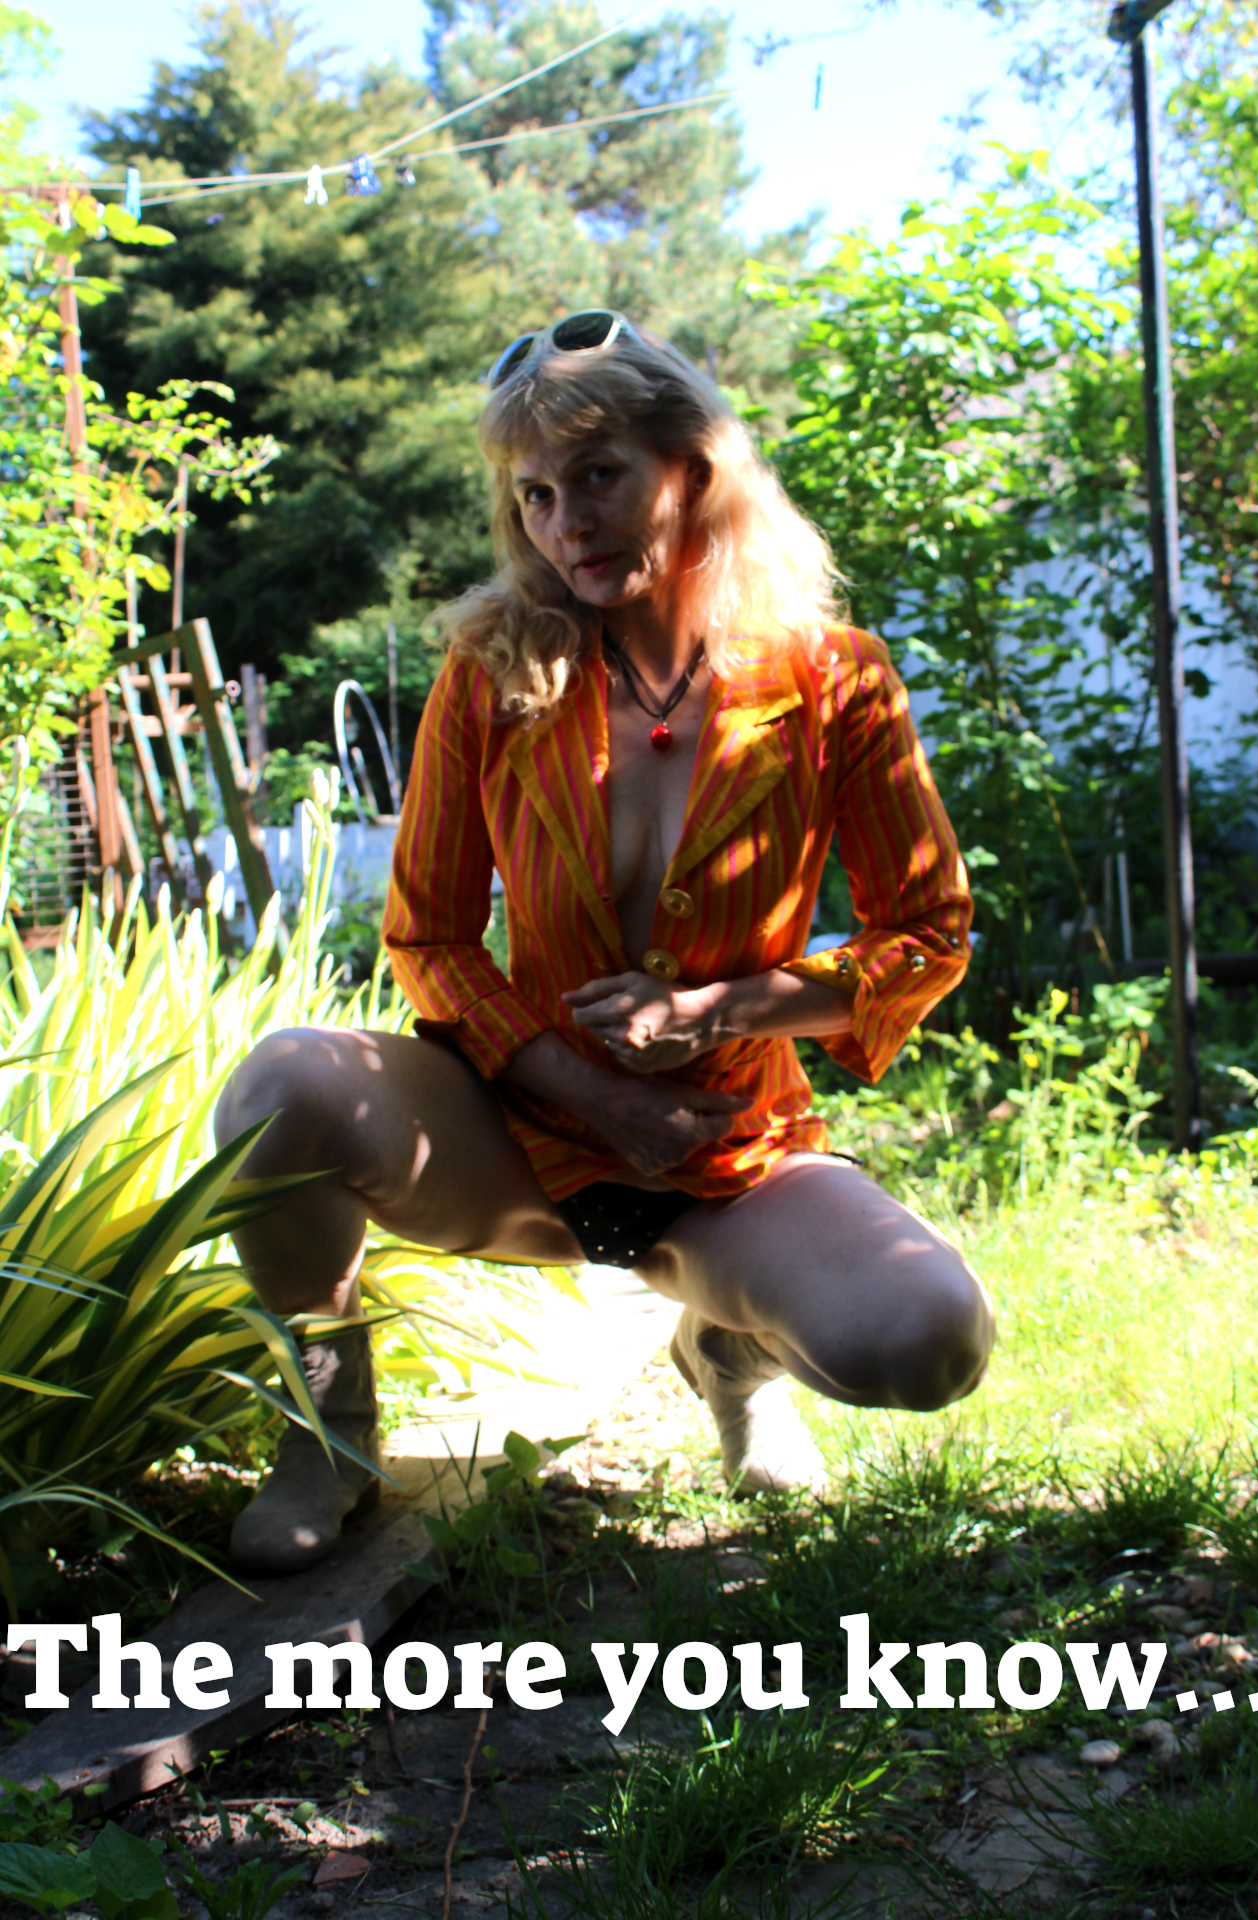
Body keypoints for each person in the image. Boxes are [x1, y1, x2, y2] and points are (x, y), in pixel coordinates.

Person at [215, 312, 995, 1575]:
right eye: (533, 494)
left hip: (721, 1149)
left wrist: (718, 1012)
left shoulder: (834, 681)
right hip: (511, 1134)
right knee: (282, 1085)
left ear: (693, 469)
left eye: (596, 475)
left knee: (925, 1337)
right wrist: (586, 1091)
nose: (564, 522)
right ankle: (325, 1436)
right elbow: (425, 934)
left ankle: (728, 1358)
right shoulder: (491, 672)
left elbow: (926, 934)